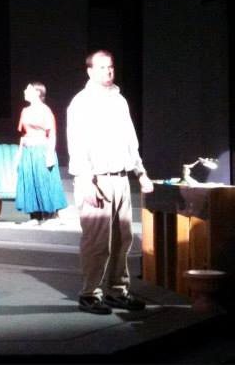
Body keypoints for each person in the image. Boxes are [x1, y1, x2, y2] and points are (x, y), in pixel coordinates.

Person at [66, 50, 154, 315]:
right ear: (90, 71)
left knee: (123, 239)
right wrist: (85, 180)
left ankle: (117, 291)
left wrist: (140, 172)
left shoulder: (119, 100)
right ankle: (90, 294)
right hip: (96, 179)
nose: (108, 71)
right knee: (97, 243)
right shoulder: (81, 102)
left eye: (111, 67)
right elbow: (77, 143)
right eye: (102, 67)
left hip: (120, 178)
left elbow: (130, 140)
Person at [14, 82, 68, 224]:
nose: (25, 91)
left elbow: (52, 134)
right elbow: (23, 135)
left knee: (44, 181)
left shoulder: (45, 110)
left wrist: (50, 153)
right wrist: (19, 154)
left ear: (37, 92)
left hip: (41, 150)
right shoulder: (25, 111)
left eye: (28, 89)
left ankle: (52, 215)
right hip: (28, 151)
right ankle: (35, 216)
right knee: (30, 181)